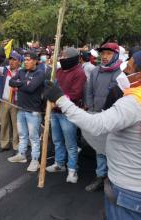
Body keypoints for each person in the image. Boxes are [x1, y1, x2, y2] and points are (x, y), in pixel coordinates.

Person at [43, 51, 141, 220]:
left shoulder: (134, 102)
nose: (125, 71)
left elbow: (97, 126)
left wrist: (60, 99)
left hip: (129, 191)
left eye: (129, 66)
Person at [84, 43, 122, 192]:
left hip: (114, 117)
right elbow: (89, 91)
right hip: (97, 115)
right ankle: (100, 177)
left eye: (108, 53)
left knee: (114, 149)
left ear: (116, 55)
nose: (104, 57)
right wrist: (91, 109)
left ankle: (114, 180)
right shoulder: (95, 71)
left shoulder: (121, 72)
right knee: (99, 149)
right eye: (103, 53)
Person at [45, 47, 87, 183]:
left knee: (71, 144)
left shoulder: (79, 73)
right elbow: (53, 87)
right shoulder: (58, 71)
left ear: (71, 59)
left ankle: (73, 170)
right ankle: (59, 164)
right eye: (61, 56)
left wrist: (57, 102)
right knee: (57, 140)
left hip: (68, 114)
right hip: (55, 112)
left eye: (63, 56)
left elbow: (76, 94)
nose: (61, 58)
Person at [7, 52, 45, 172]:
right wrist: (24, 83)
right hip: (21, 108)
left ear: (35, 61)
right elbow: (11, 82)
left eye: (28, 60)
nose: (26, 62)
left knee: (33, 137)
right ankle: (22, 154)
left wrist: (20, 84)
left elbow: (31, 88)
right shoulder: (22, 71)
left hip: (33, 110)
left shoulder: (40, 73)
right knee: (22, 134)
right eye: (25, 60)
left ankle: (35, 160)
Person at [0, 50, 23, 153]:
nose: (11, 61)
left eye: (14, 59)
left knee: (16, 125)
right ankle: (4, 144)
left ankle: (17, 146)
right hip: (4, 102)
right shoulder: (4, 70)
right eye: (10, 59)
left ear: (19, 62)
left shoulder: (22, 72)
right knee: (4, 124)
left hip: (16, 103)